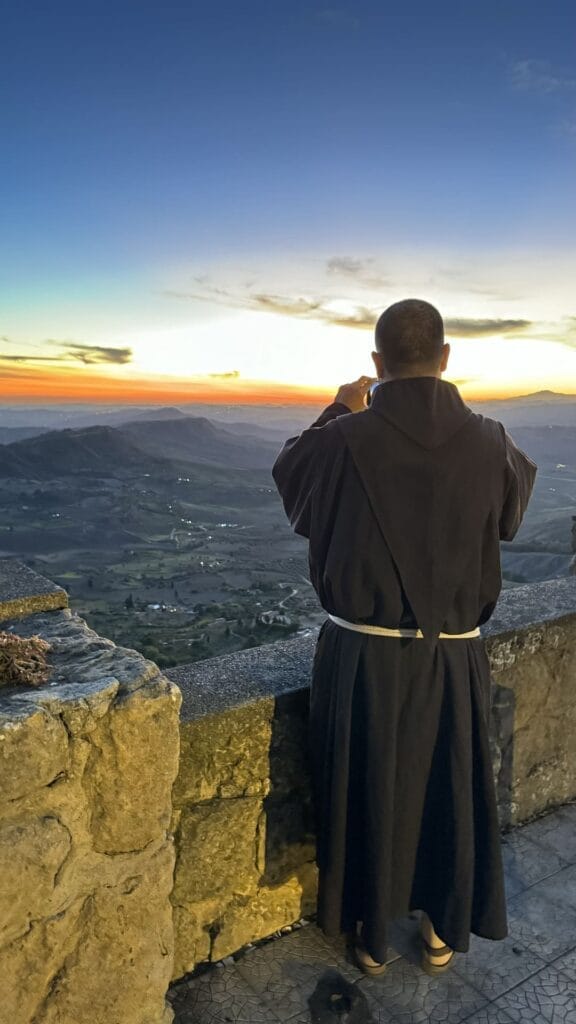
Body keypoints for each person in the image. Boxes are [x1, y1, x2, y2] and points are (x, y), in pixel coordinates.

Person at [271, 298, 537, 976]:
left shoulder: (341, 438)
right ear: (446, 358)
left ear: (376, 363)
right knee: (448, 786)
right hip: (454, 654)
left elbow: (291, 481)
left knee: (367, 786)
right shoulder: (492, 439)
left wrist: (338, 407)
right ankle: (441, 929)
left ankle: (371, 934)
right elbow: (511, 513)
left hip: (362, 655)